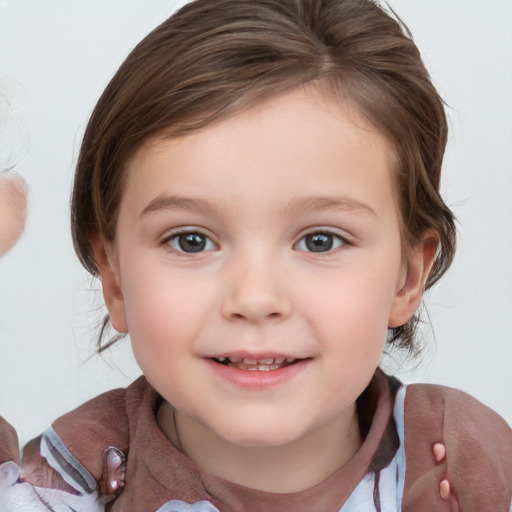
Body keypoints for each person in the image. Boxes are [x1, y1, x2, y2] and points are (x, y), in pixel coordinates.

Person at [0, 0, 511, 510]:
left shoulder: (469, 470)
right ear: (114, 279)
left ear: (408, 277)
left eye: (320, 240)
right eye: (191, 240)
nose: (255, 298)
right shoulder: (58, 489)